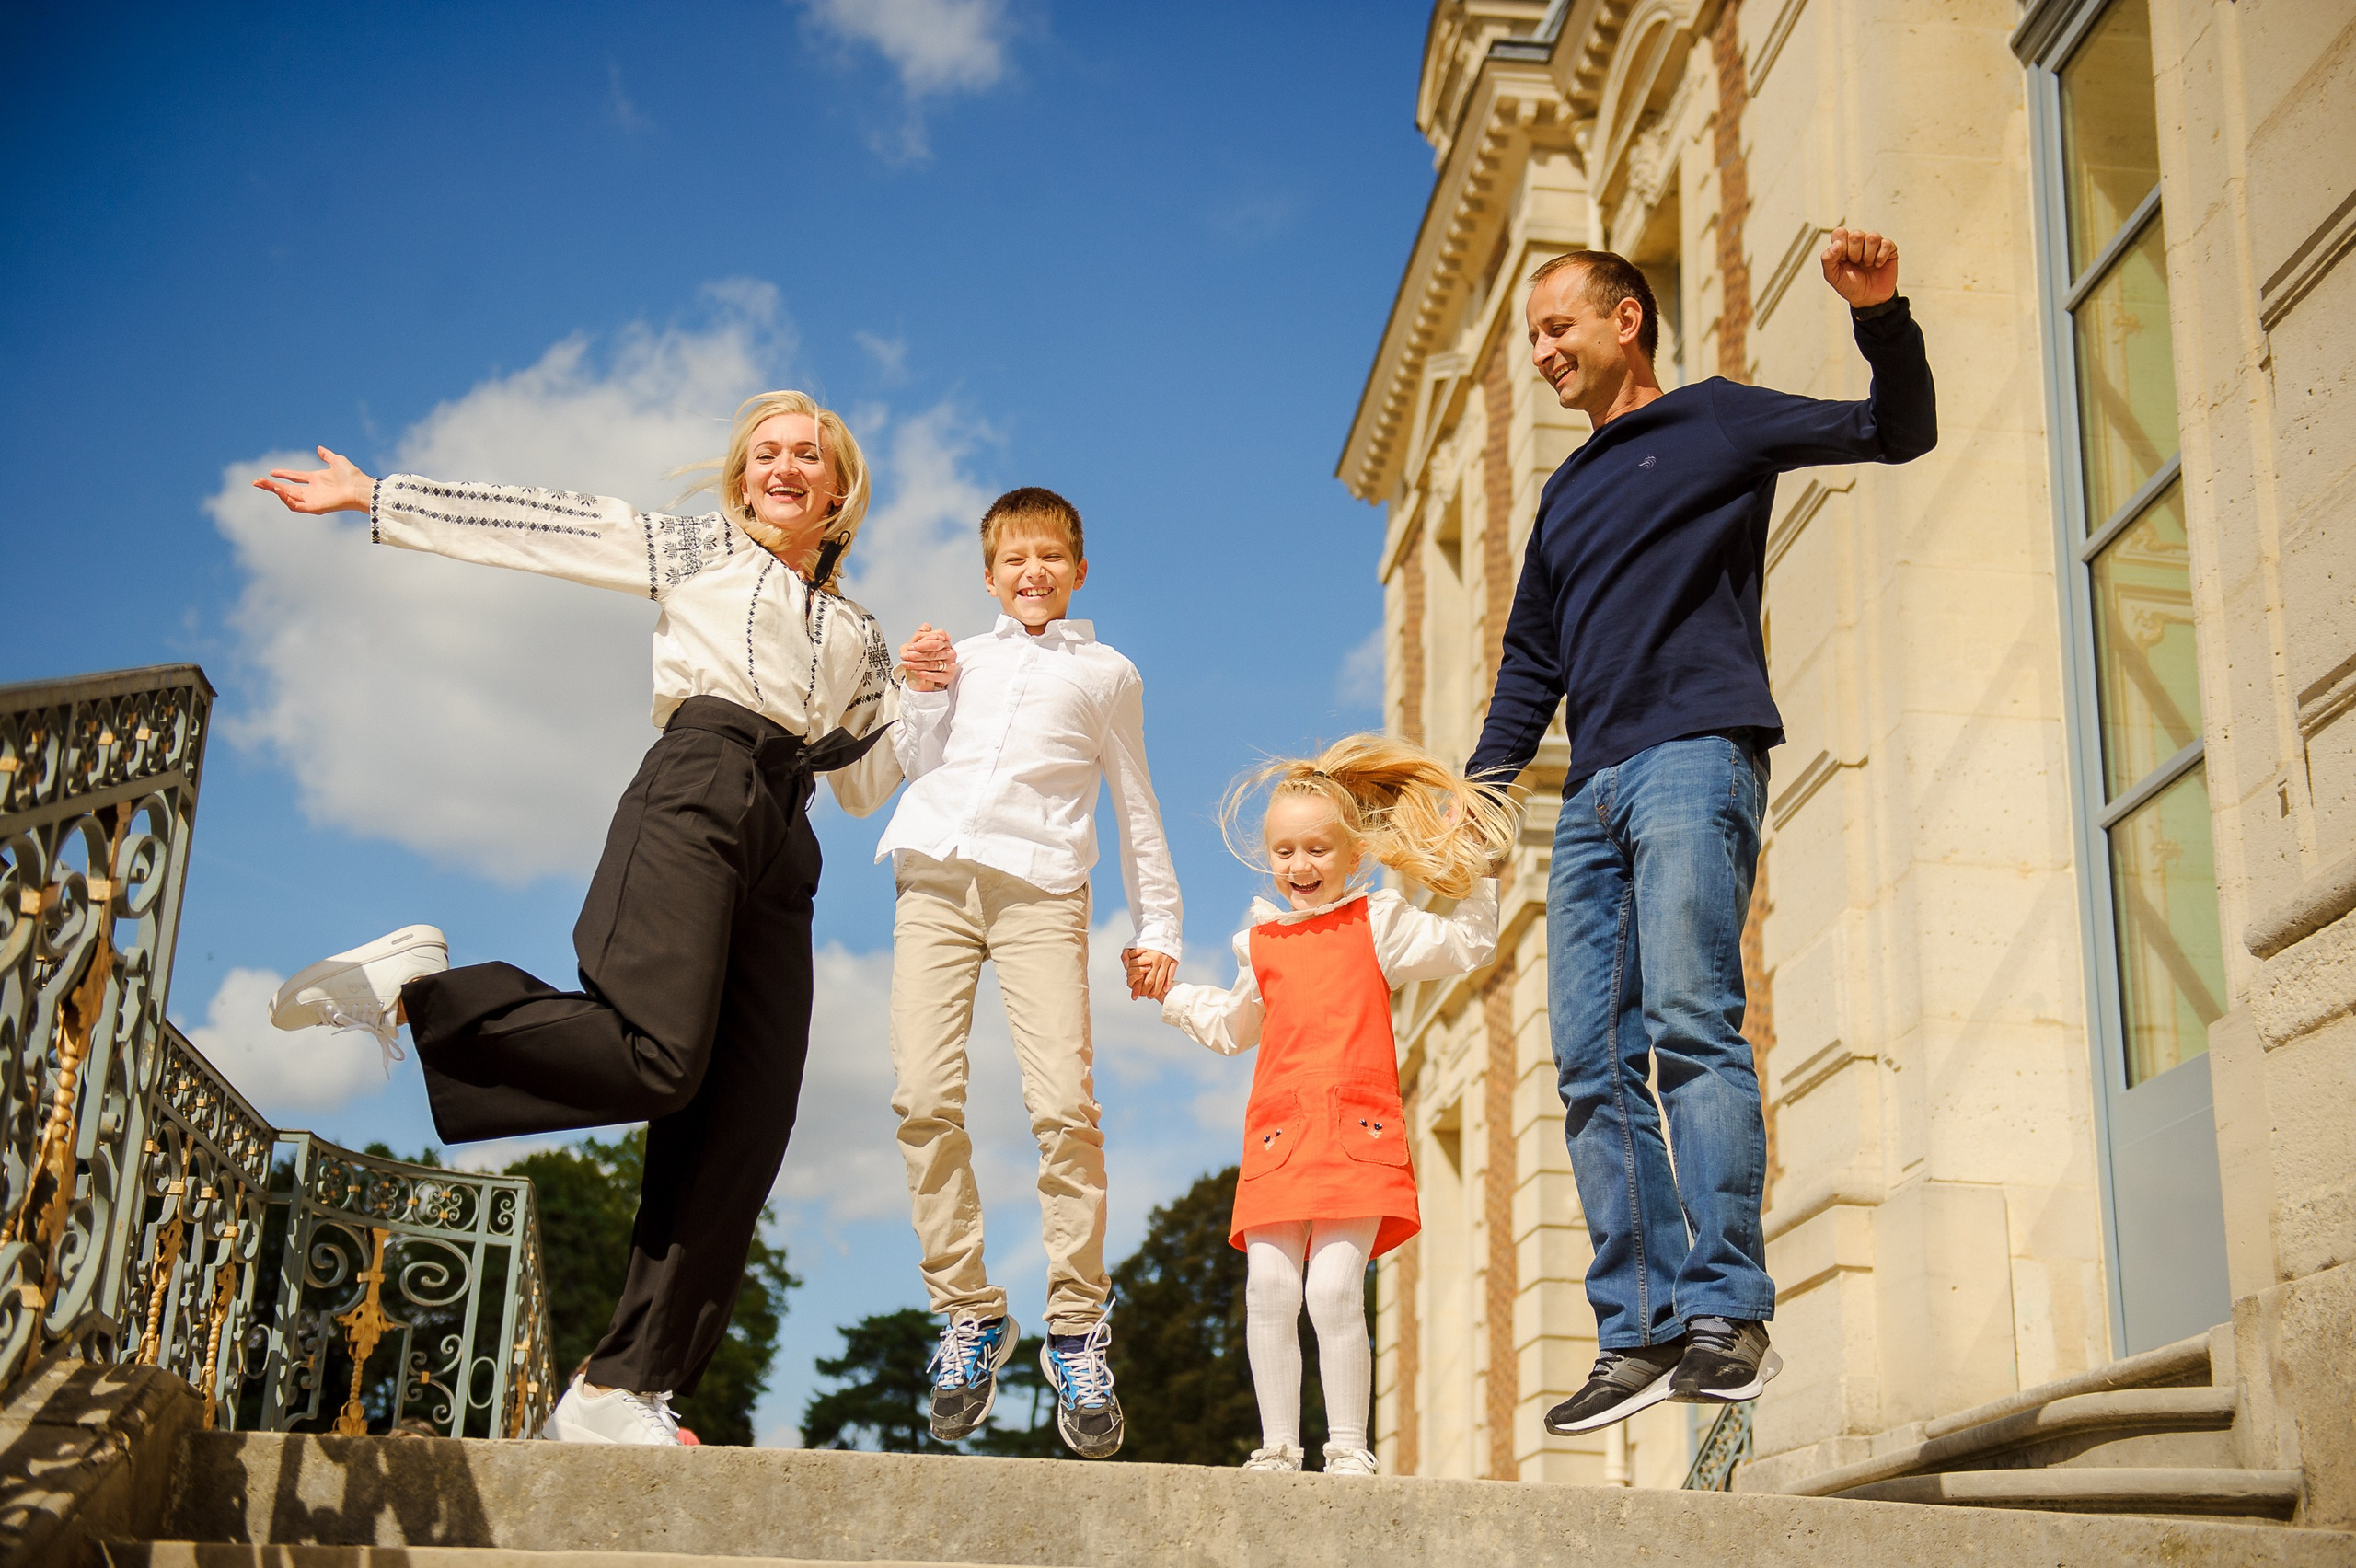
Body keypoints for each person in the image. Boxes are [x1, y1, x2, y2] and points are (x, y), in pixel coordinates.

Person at [254, 391, 903, 1446]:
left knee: (748, 1116)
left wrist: (923, 699)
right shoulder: (700, 550)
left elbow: (869, 781)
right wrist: (380, 495)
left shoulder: (858, 631)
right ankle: (420, 992)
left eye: (809, 456)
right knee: (658, 1058)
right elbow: (547, 527)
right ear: (744, 480)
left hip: (790, 833)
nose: (785, 467)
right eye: (767, 453)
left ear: (839, 489)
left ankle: (618, 1389)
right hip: (698, 783)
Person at [1466, 230, 1936, 1435]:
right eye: (1531, 336)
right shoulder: (1563, 492)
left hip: (1694, 759)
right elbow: (1532, 660)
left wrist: (1880, 316)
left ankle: (1728, 1309)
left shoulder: (1721, 422)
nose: (1541, 353)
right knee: (1587, 1067)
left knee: (1688, 1030)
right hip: (1591, 799)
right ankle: (1642, 1330)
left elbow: (1896, 430)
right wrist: (1482, 785)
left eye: (1555, 327)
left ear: (1627, 320)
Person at [878, 487, 1183, 1459]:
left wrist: (1159, 924)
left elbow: (1134, 800)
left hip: (1042, 895)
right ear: (988, 575)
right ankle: (968, 1315)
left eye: (1050, 557)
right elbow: (910, 761)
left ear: (1078, 569)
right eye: (1014, 561)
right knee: (921, 1096)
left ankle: (1076, 1325)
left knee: (1062, 1107)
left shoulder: (1106, 674)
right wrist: (920, 689)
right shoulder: (955, 658)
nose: (1032, 574)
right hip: (932, 883)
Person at [1158, 735, 1515, 1475]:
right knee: (1269, 1288)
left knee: (1331, 1288)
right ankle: (1278, 1447)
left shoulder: (1378, 924)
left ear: (1356, 854)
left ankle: (1349, 1446)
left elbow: (1470, 944)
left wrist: (1475, 865)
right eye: (1285, 851)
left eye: (1318, 849)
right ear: (1269, 857)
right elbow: (1233, 1027)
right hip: (1277, 1145)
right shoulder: (1258, 942)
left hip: (1357, 1137)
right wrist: (1172, 995)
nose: (1300, 866)